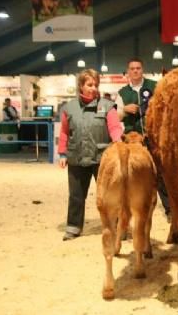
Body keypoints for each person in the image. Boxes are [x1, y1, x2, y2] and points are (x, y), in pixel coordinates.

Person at [58, 69, 123, 241]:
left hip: (102, 158)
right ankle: (73, 227)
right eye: (89, 84)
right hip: (76, 157)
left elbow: (114, 127)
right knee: (76, 195)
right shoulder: (69, 108)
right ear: (81, 85)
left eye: (95, 85)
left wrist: (118, 141)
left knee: (109, 195)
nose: (93, 88)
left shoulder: (107, 106)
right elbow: (65, 132)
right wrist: (62, 154)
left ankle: (115, 226)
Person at [115, 58, 170, 217]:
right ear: (128, 71)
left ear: (142, 69)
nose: (135, 71)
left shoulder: (155, 86)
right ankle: (133, 210)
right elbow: (115, 116)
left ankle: (170, 210)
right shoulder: (122, 93)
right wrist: (124, 109)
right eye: (132, 68)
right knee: (133, 175)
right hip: (133, 141)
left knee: (161, 174)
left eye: (138, 68)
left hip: (154, 138)